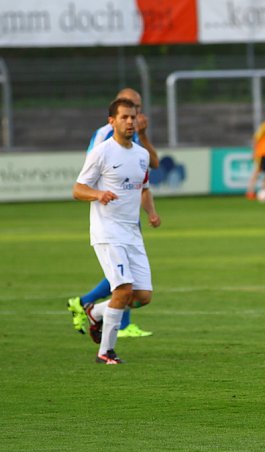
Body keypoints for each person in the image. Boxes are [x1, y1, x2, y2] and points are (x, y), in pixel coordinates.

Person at [72, 97, 159, 364]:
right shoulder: (101, 152)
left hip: (132, 232)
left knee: (142, 296)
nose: (130, 121)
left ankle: (95, 313)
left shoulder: (141, 154)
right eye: (124, 117)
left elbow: (143, 188)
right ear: (112, 121)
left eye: (133, 117)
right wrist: (98, 194)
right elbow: (78, 189)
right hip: (107, 231)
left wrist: (151, 212)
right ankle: (105, 352)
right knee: (122, 290)